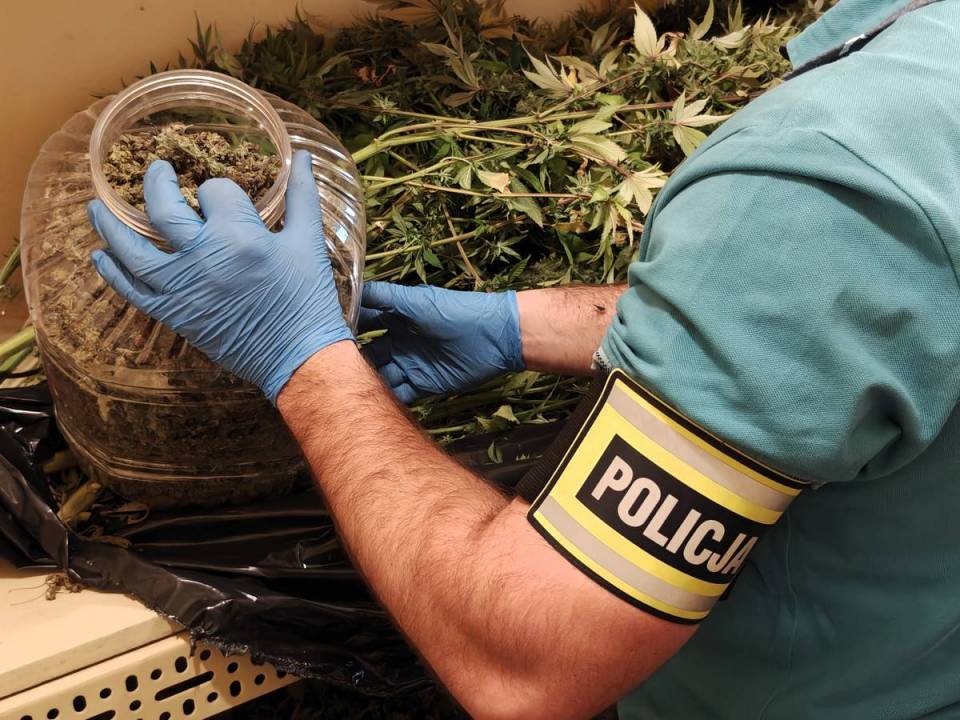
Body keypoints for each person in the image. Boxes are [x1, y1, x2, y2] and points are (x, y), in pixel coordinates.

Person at [86, 0, 960, 716]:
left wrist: (302, 359)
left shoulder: (832, 173)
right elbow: (878, 314)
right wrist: (531, 325)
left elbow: (527, 662)